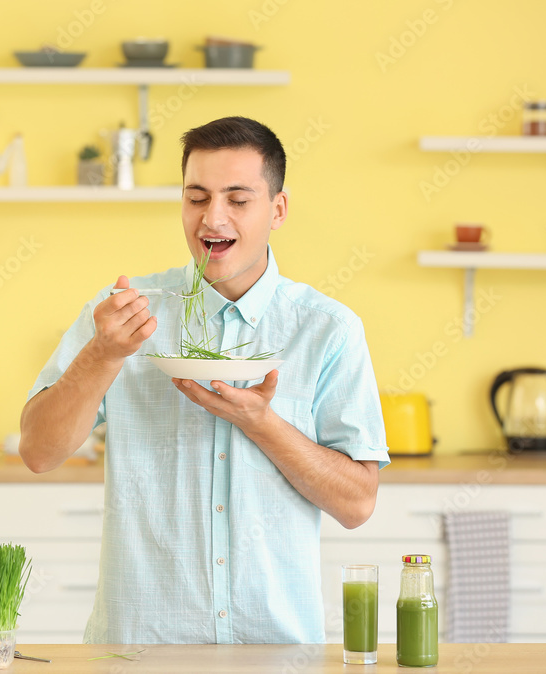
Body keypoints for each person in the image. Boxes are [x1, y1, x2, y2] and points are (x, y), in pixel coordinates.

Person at [19, 116, 389, 644]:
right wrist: (103, 355)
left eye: (238, 200)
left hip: (277, 653)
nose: (212, 219)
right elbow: (38, 451)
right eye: (197, 198)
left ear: (277, 209)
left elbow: (357, 504)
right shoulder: (125, 314)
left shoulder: (328, 330)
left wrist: (260, 422)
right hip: (139, 651)